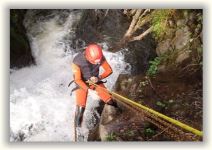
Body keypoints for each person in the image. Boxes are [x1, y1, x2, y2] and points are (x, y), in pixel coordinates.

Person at [71, 44, 118, 127]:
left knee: (110, 101)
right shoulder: (77, 61)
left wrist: (99, 78)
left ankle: (118, 116)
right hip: (82, 85)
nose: (97, 63)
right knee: (80, 110)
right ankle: (78, 130)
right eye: (94, 62)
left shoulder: (99, 57)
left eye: (98, 62)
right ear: (88, 57)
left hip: (95, 82)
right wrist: (89, 90)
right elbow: (77, 80)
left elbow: (109, 70)